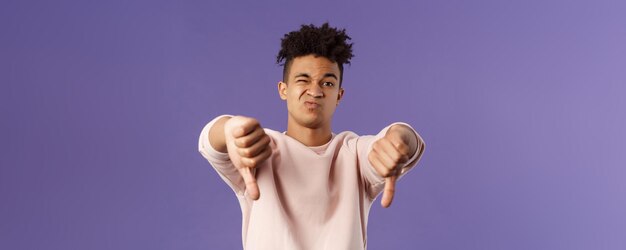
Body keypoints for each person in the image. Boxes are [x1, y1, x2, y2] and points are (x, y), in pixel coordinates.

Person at [198, 22, 426, 250]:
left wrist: (400, 136)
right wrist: (229, 128)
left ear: (339, 95)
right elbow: (212, 141)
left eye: (327, 83)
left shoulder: (354, 154)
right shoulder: (260, 149)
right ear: (283, 89)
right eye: (303, 80)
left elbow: (391, 144)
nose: (315, 91)